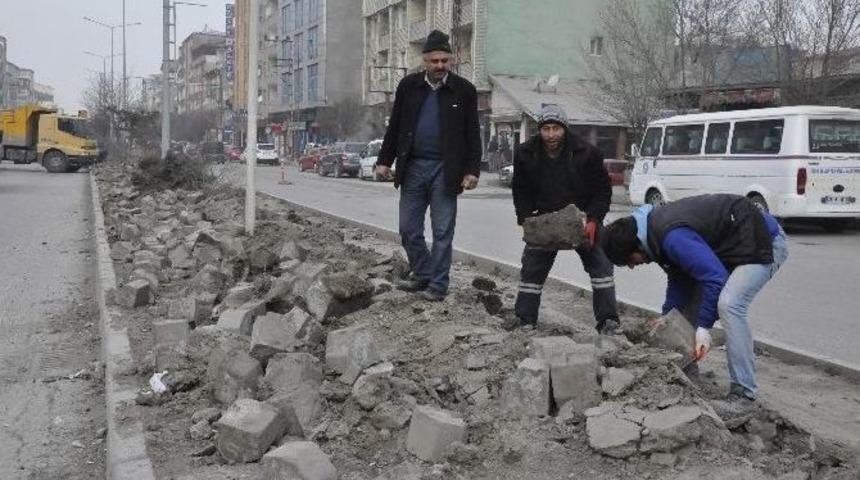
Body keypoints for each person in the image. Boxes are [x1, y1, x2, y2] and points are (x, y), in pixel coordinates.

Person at [600, 194, 788, 412]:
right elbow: (680, 277)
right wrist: (667, 317)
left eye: (629, 261)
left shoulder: (671, 237)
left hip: (762, 240)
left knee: (730, 305)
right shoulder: (653, 234)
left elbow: (715, 279)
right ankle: (684, 374)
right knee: (681, 313)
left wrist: (704, 328)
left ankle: (744, 395)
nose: (632, 266)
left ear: (635, 248)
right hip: (732, 246)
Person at [376, 30, 482, 302]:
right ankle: (422, 273)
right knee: (408, 228)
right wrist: (384, 161)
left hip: (446, 171)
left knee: (443, 230)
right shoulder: (408, 87)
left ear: (451, 60)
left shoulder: (465, 90)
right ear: (425, 60)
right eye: (434, 61)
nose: (439, 66)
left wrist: (472, 170)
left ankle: (438, 284)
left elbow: (473, 134)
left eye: (444, 61)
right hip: (412, 168)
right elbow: (396, 126)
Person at [508, 104, 620, 334]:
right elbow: (520, 189)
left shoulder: (587, 152)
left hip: (581, 217)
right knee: (532, 270)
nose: (551, 135)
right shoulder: (525, 153)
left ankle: (608, 321)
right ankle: (525, 319)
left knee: (601, 267)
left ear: (565, 129)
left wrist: (593, 220)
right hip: (546, 220)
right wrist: (526, 219)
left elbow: (602, 190)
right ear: (539, 130)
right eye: (546, 129)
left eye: (555, 129)